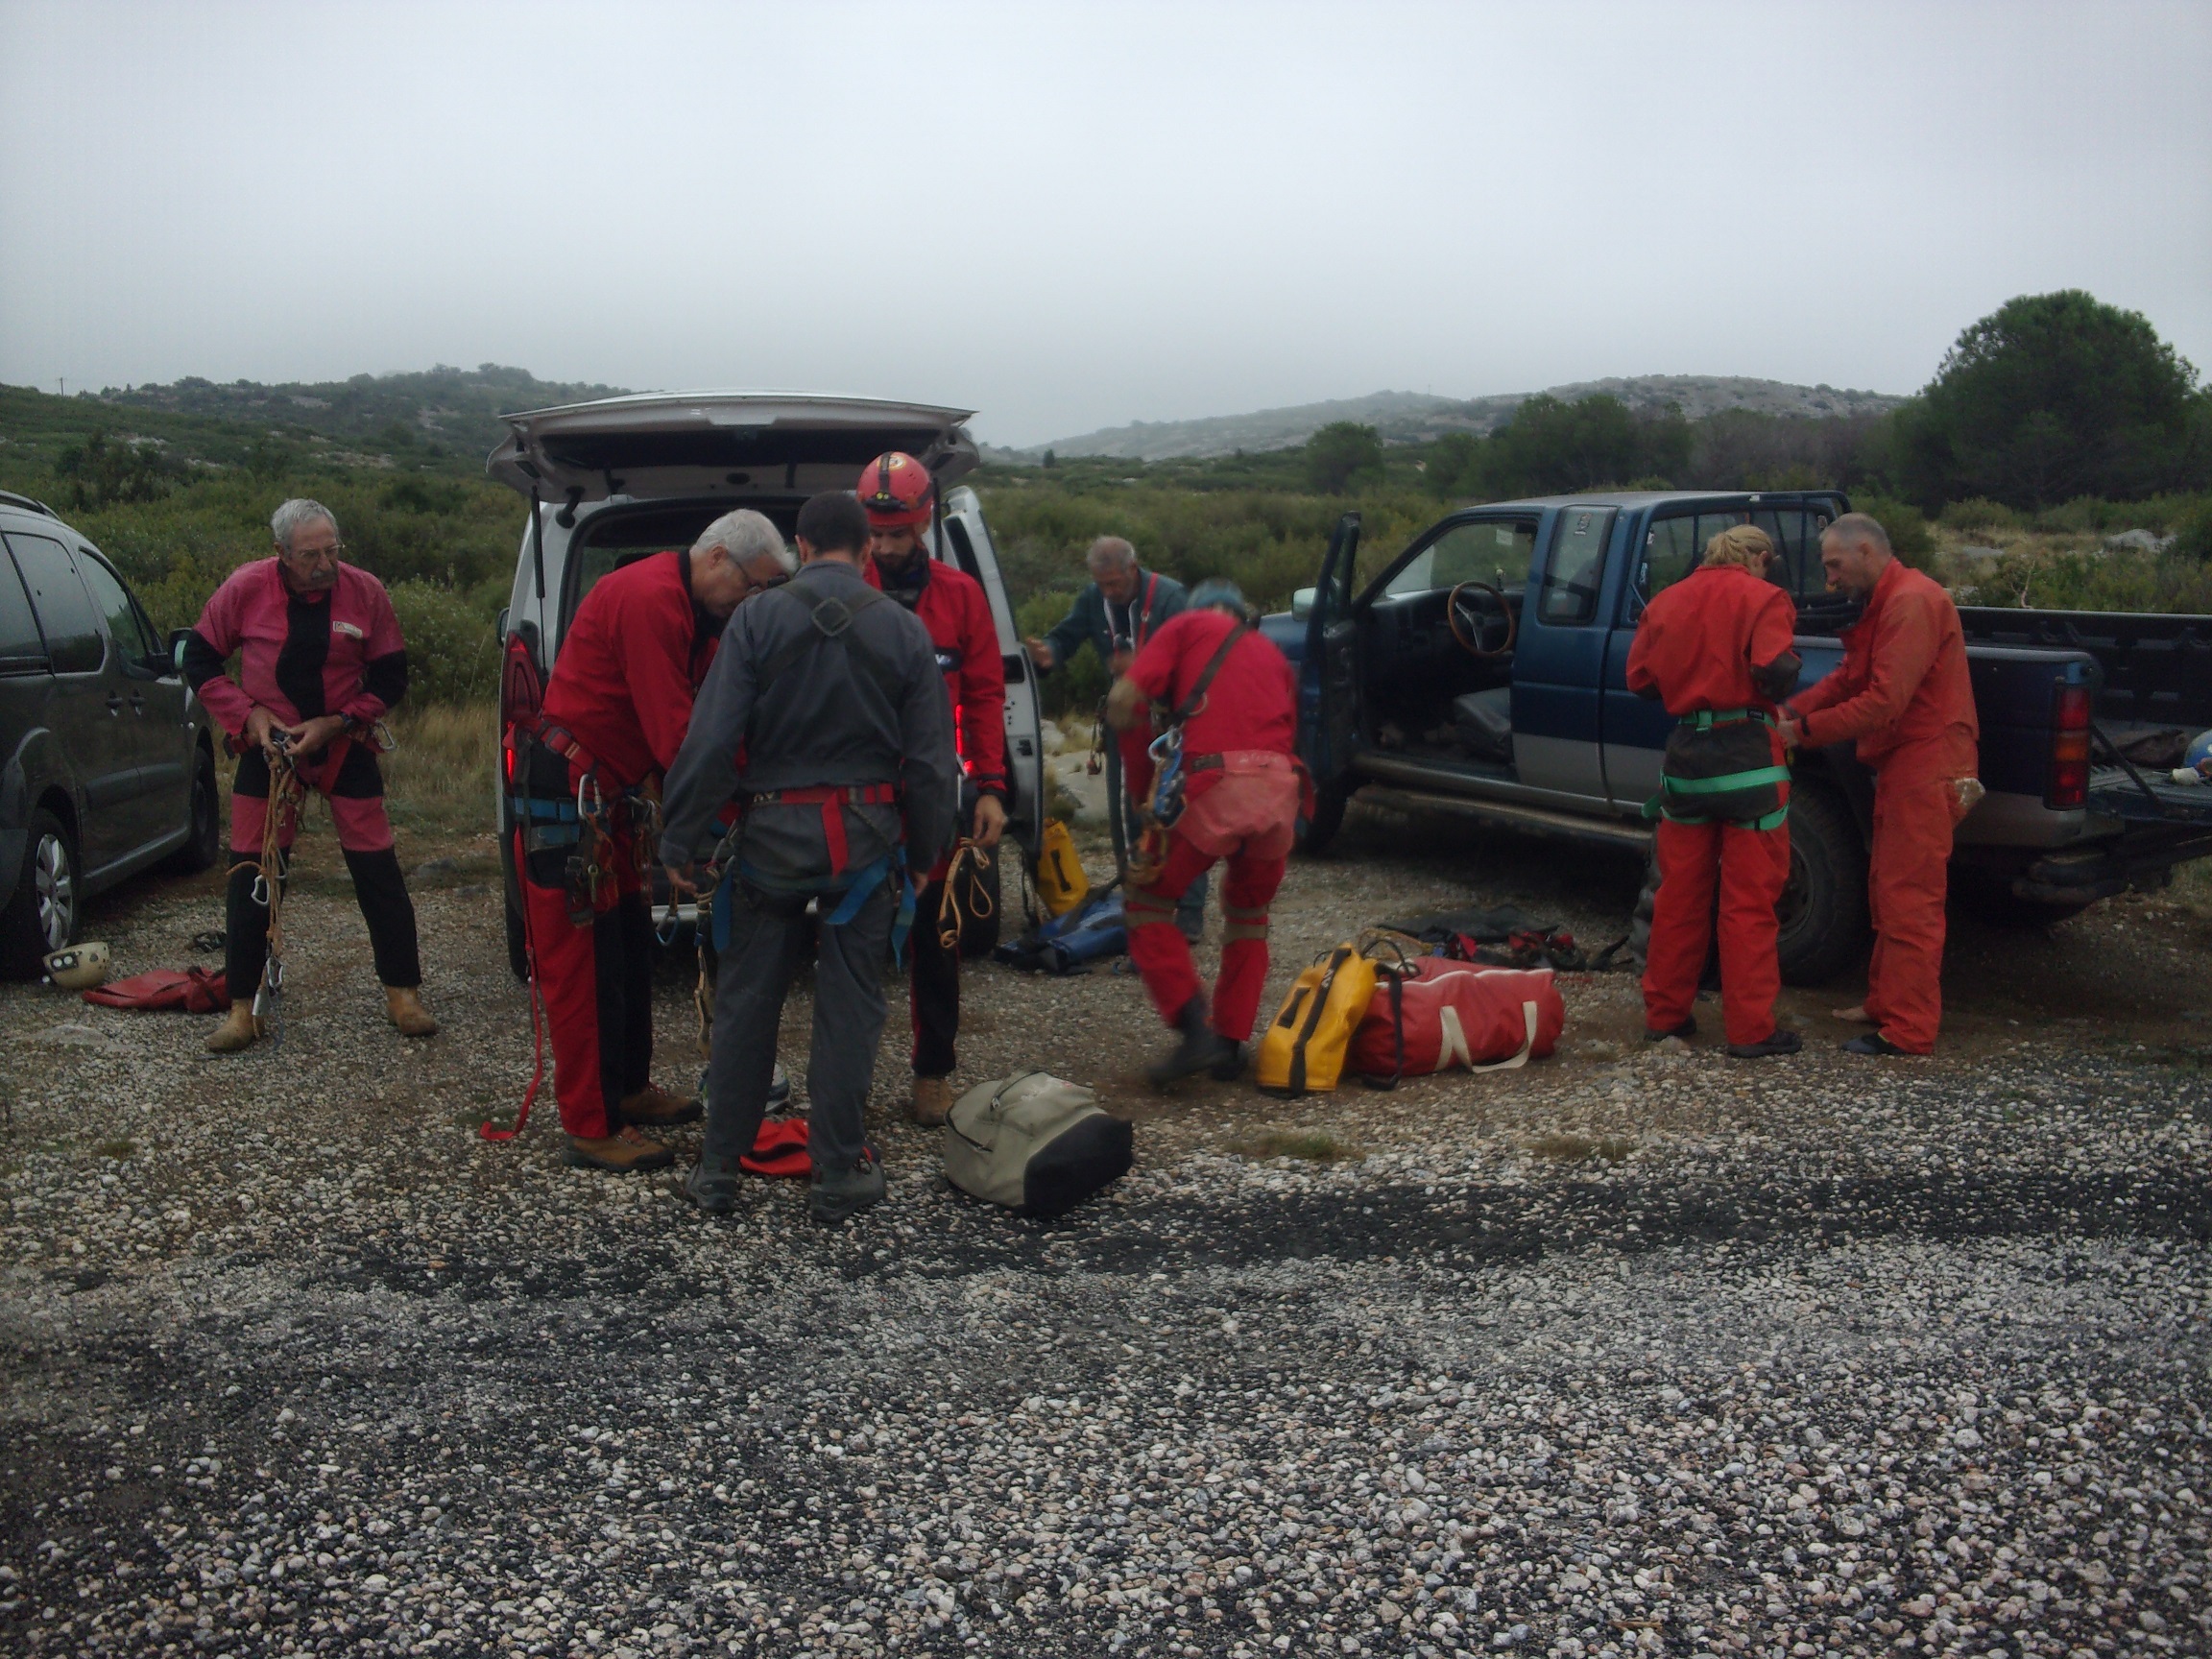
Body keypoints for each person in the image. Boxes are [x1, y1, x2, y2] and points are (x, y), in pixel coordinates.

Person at [661, 491, 958, 1225]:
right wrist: (927, 851)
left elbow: (710, 740)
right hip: (866, 849)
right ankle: (837, 1173)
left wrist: (680, 839)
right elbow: (931, 763)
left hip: (769, 845)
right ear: (865, 550)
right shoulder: (905, 629)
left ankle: (718, 1173)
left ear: (800, 545)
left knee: (745, 1003)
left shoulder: (756, 619)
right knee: (851, 1008)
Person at [514, 509, 790, 1172]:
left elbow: (722, 721)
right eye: (753, 586)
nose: (753, 601)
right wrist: (755, 809)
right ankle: (589, 1125)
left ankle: (628, 1089)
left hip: (609, 798)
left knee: (624, 950)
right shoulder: (649, 600)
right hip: (569, 794)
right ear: (717, 558)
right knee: (581, 965)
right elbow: (680, 737)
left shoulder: (704, 615)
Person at [184, 498, 434, 1053]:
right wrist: (248, 715)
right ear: (281, 553)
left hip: (344, 743)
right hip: (269, 751)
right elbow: (197, 660)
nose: (325, 565)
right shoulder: (245, 588)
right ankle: (242, 1007)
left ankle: (403, 993)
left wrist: (339, 722)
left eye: (331, 551)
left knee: (377, 868)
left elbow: (391, 676)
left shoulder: (365, 591)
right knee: (253, 873)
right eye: (310, 555)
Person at [1779, 513, 1979, 1057]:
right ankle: (1885, 1002)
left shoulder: (1911, 602)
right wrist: (1792, 709)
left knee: (1910, 896)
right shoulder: (1889, 601)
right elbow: (1850, 676)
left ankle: (1909, 1029)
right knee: (1886, 886)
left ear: (1865, 550)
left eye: (1834, 565)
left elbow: (1883, 702)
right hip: (1905, 763)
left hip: (1928, 764)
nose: (1829, 581)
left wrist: (1800, 732)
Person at [856, 451, 1007, 1126]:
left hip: (930, 796)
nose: (885, 547)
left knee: (937, 939)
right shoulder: (841, 589)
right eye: (874, 534)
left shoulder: (960, 596)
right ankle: (847, 1080)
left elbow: (985, 694)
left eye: (896, 534)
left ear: (921, 526)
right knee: (851, 937)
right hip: (856, 796)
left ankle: (933, 1074)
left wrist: (990, 787)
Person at [1108, 578, 1301, 1087]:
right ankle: (1230, 1045)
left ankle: (1194, 1032)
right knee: (1248, 917)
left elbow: (1125, 701)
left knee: (1147, 903)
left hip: (1215, 785)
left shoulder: (1186, 625)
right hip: (1279, 791)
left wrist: (1141, 793)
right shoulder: (1273, 655)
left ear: (1199, 612)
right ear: (1244, 617)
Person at [1625, 524, 1803, 1059]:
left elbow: (1640, 681)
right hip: (1748, 761)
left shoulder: (1665, 601)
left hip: (1686, 761)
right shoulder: (1765, 597)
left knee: (1678, 897)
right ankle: (1751, 1030)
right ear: (1760, 558)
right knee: (1748, 904)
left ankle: (1666, 1017)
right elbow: (1774, 672)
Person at [1024, 537, 1204, 938]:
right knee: (1129, 813)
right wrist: (1049, 653)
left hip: (1172, 723)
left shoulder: (1171, 598)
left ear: (1133, 569)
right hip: (1126, 720)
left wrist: (1146, 664)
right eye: (1101, 583)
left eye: (1115, 584)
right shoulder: (1094, 599)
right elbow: (1065, 636)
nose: (1108, 591)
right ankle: (1138, 903)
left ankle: (1189, 913)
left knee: (1179, 814)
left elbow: (1195, 655)